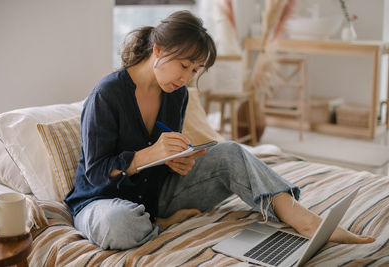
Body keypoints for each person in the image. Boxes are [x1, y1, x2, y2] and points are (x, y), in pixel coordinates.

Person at [64, 10, 375, 251]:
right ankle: (158, 223)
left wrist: (175, 161)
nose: (187, 78)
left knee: (231, 152)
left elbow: (161, 160)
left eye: (195, 70)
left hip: (154, 194)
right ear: (157, 51)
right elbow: (95, 173)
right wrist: (148, 155)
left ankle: (306, 220)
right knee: (120, 226)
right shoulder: (108, 93)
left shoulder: (177, 94)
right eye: (184, 66)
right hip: (102, 200)